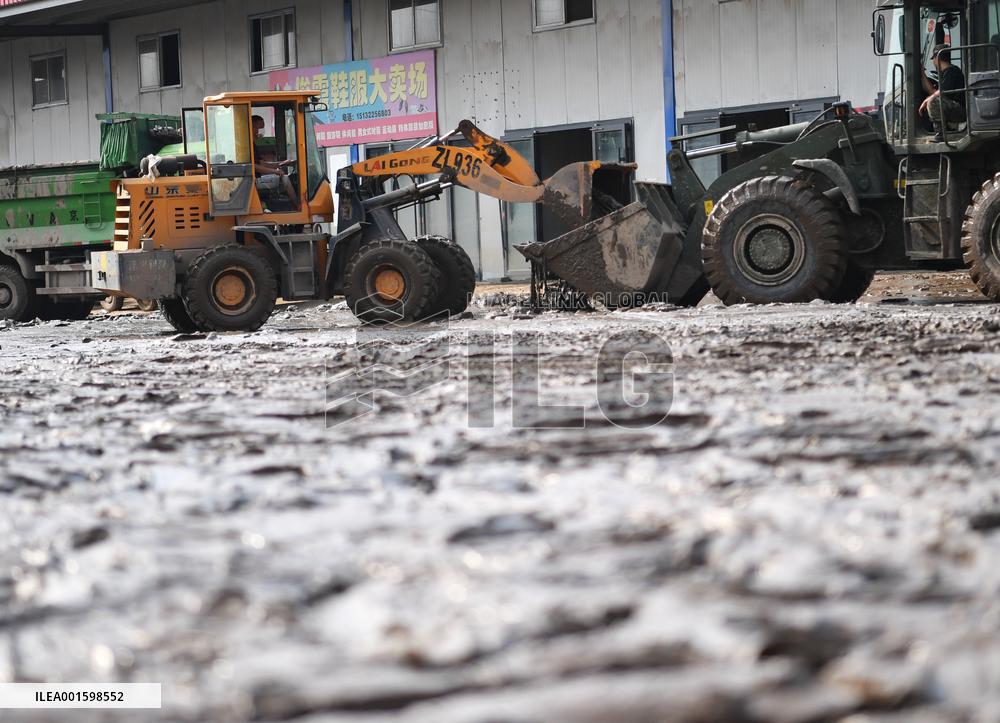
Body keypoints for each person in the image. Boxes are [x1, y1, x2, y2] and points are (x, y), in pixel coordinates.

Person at [251, 114, 299, 211]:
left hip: (255, 179)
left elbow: (262, 164)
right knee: (285, 179)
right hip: (253, 182)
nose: (261, 132)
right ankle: (298, 207)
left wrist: (282, 163)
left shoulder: (252, 144)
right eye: (259, 128)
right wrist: (275, 171)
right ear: (252, 127)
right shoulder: (247, 146)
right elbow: (254, 166)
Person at [919, 44, 966, 142]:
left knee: (933, 102)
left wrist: (928, 100)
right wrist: (922, 75)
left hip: (959, 110)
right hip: (954, 109)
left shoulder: (951, 71)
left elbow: (940, 93)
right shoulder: (947, 72)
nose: (933, 62)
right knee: (932, 99)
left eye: (933, 59)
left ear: (937, 58)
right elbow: (933, 91)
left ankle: (940, 135)